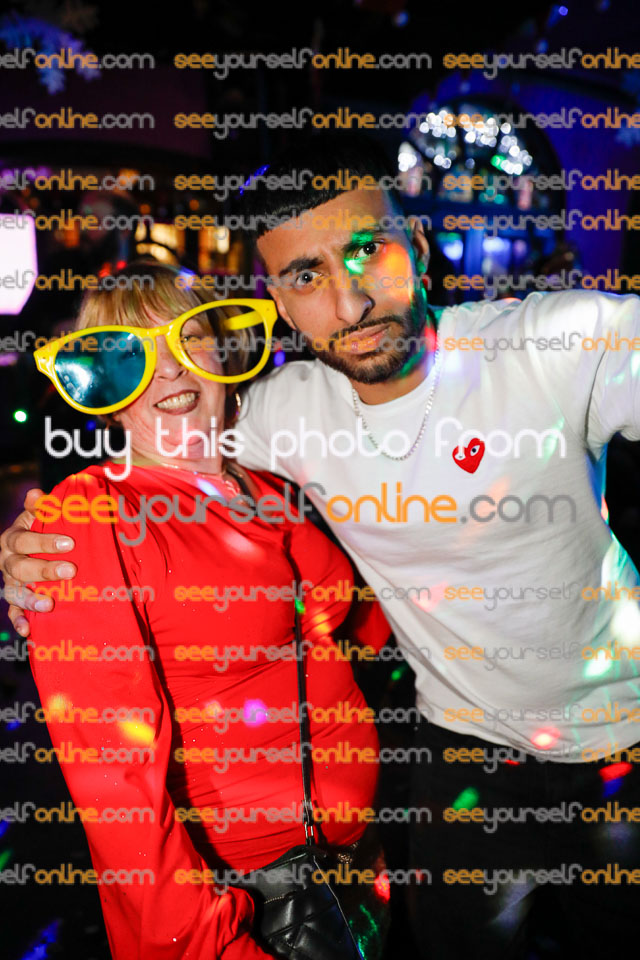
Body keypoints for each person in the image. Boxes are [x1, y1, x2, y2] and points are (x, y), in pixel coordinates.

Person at [3, 134, 640, 958]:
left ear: (417, 245)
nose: (350, 304)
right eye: (306, 276)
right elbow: (115, 780)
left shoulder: (553, 344)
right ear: (276, 299)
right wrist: (37, 548)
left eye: (367, 250)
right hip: (449, 769)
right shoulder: (250, 429)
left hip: (616, 741)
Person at [10, 261, 390, 960]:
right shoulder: (90, 517)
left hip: (349, 875)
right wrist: (205, 944)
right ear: (102, 391)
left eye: (187, 337)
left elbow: (350, 635)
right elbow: (115, 783)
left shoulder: (268, 490)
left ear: (223, 352)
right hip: (248, 903)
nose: (168, 368)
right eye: (129, 356)